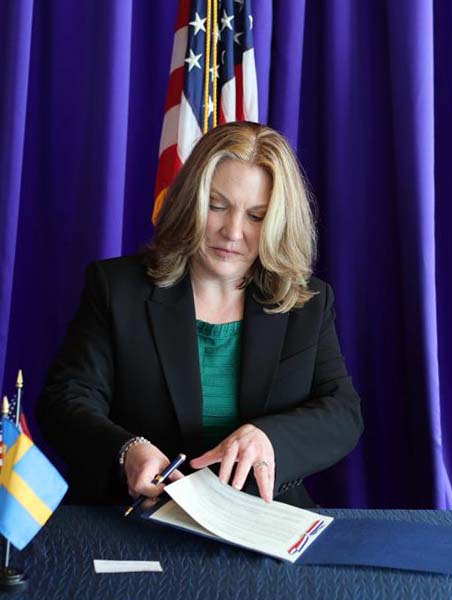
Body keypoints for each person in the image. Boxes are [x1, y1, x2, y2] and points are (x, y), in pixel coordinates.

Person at [37, 122, 363, 509]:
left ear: (278, 222)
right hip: (133, 515)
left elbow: (342, 411)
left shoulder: (308, 303)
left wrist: (270, 439)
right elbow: (65, 400)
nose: (233, 231)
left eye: (256, 216)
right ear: (191, 200)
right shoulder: (116, 288)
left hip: (261, 515)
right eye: (217, 205)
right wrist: (127, 450)